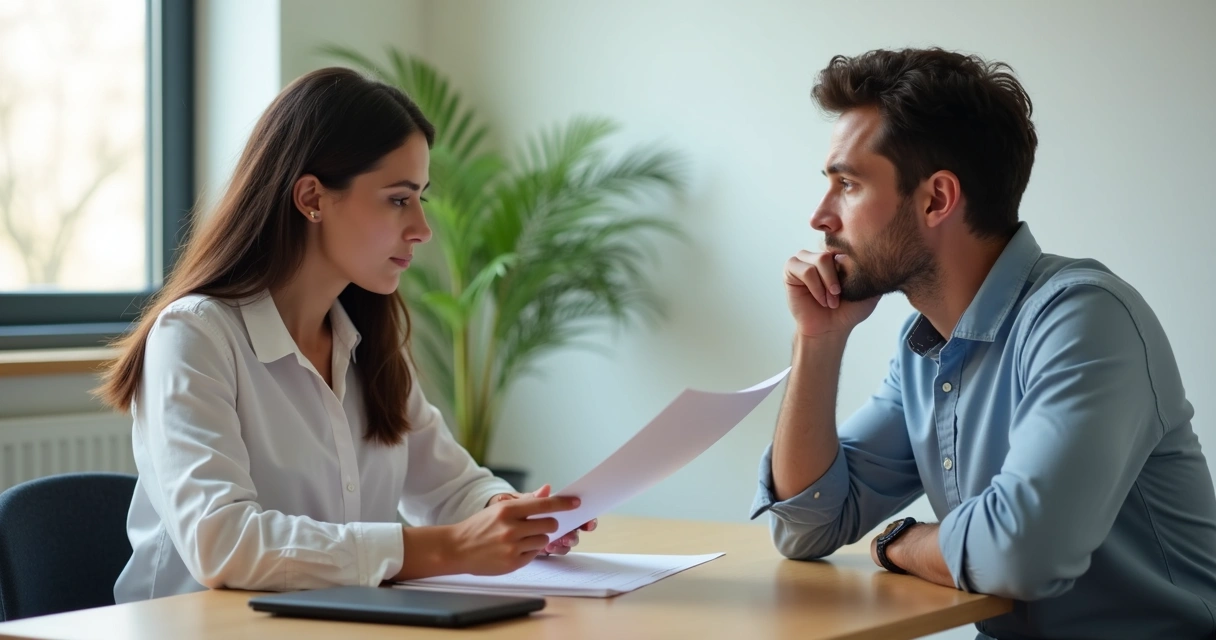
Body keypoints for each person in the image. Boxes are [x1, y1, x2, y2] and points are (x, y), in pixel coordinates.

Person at [751, 48, 1216, 639]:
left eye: (848, 184)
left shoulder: (1085, 319)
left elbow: (1021, 555)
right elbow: (806, 527)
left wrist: (903, 540)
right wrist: (817, 340)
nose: (820, 217)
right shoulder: (924, 351)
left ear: (937, 199)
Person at [97, 67, 594, 603]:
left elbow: (451, 487)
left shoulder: (368, 342)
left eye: (421, 197)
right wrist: (447, 548)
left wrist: (511, 517)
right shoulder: (194, 336)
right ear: (312, 196)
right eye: (399, 199)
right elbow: (223, 544)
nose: (423, 228)